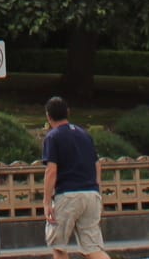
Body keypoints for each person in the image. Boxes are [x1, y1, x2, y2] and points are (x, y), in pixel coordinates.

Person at [41, 96, 109, 259]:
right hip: (91, 194)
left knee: (59, 246)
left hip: (68, 194)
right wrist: (97, 188)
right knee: (92, 248)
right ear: (68, 113)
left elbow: (51, 170)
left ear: (48, 116)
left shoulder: (53, 137)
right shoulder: (85, 135)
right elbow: (96, 164)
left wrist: (46, 200)